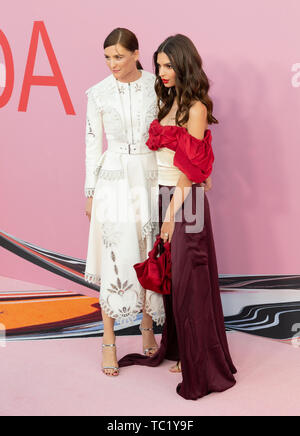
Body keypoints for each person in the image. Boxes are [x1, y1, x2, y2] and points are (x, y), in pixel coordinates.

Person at [118, 34, 237, 400]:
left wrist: (171, 213)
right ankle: (186, 351)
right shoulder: (167, 102)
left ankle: (200, 362)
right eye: (159, 65)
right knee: (176, 284)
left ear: (184, 64)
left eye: (169, 65)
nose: (162, 72)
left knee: (191, 285)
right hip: (165, 198)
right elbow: (195, 159)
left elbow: (191, 169)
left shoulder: (196, 108)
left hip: (187, 205)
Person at [84, 28, 165, 376]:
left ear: (135, 53)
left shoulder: (156, 86)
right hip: (114, 179)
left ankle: (148, 329)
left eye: (118, 56)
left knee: (148, 252)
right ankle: (108, 341)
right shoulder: (97, 93)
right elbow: (91, 145)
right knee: (116, 254)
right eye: (107, 57)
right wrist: (89, 191)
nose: (112, 63)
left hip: (149, 174)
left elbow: (166, 133)